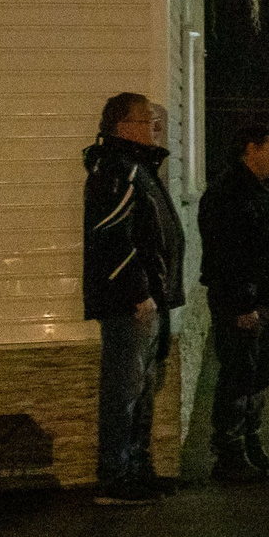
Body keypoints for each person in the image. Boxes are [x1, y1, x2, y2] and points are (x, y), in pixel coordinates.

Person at [82, 93, 185, 504]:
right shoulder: (116, 169)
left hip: (152, 299)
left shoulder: (138, 167)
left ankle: (138, 468)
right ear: (122, 126)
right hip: (131, 304)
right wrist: (137, 291)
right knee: (124, 390)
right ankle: (114, 478)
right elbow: (112, 235)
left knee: (143, 388)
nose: (155, 127)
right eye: (147, 120)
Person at [197, 122, 269, 483]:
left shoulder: (264, 191)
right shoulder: (227, 195)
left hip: (266, 302)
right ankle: (229, 456)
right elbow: (227, 256)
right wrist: (242, 305)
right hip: (243, 305)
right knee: (238, 376)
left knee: (259, 374)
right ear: (251, 149)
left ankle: (252, 447)